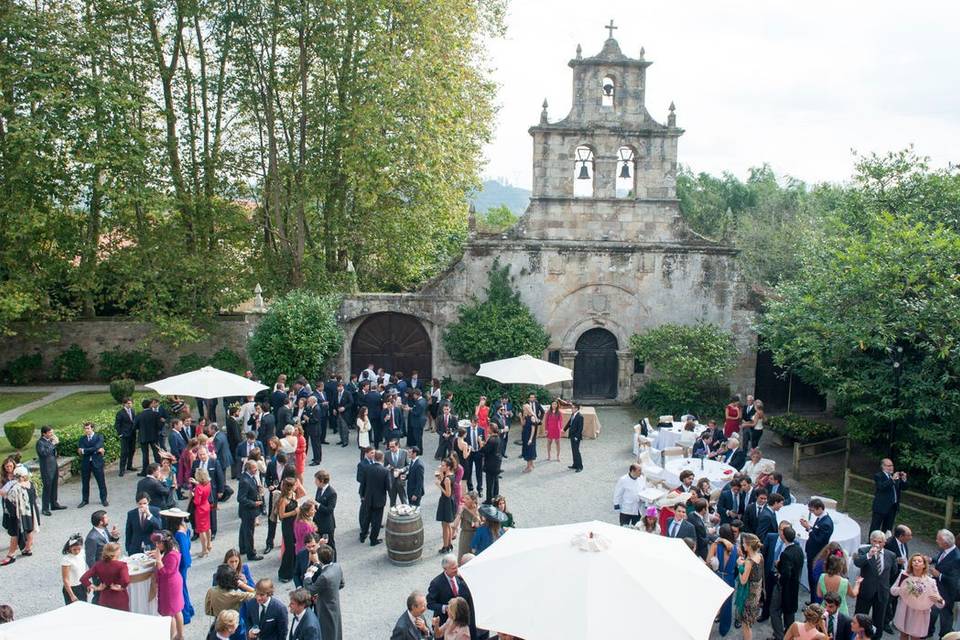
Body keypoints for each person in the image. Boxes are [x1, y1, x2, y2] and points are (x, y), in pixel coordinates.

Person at [889, 553, 944, 640]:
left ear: (924, 565)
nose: (916, 562)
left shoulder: (930, 581)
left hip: (920, 614)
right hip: (904, 610)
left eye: (919, 561)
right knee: (903, 635)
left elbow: (939, 603)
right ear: (911, 563)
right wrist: (903, 589)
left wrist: (940, 600)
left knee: (916, 637)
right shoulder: (904, 575)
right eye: (914, 560)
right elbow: (892, 591)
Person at [853, 530, 897, 633]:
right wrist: (869, 555)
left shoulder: (891, 555)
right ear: (870, 540)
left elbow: (893, 572)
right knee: (860, 618)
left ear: (884, 543)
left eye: (880, 542)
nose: (877, 544)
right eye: (874, 541)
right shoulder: (863, 551)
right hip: (866, 591)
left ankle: (876, 637)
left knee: (879, 621)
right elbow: (858, 563)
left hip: (882, 592)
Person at [301, 544, 344, 640]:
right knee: (336, 630)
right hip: (335, 603)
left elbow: (309, 590)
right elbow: (341, 584)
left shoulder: (324, 577)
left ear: (320, 559)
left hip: (325, 608)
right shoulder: (337, 567)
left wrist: (308, 576)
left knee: (326, 633)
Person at [770, 526, 805, 640]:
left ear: (783, 536)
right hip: (794, 587)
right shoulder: (799, 549)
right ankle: (790, 636)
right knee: (789, 613)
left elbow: (786, 574)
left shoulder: (786, 554)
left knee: (774, 611)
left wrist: (778, 568)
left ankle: (780, 636)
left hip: (784, 587)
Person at [427, 555, 476, 635]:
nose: (456, 570)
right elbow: (429, 603)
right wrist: (445, 608)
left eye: (457, 566)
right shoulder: (436, 583)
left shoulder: (460, 578)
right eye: (453, 568)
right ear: (445, 569)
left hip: (461, 623)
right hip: (445, 622)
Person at [205, 564, 256, 639]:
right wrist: (244, 585)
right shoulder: (236, 595)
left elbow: (208, 610)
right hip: (235, 625)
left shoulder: (211, 591)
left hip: (219, 622)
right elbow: (257, 594)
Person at [150, 530, 185, 640]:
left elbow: (166, 572)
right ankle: (177, 636)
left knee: (172, 612)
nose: (157, 545)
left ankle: (176, 636)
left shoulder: (172, 555)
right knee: (175, 610)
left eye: (158, 543)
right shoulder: (171, 548)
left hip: (170, 585)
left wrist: (159, 561)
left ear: (165, 542)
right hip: (172, 582)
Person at [2, 465, 39, 564]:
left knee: (14, 534)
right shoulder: (31, 484)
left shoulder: (16, 488)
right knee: (30, 530)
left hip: (18, 514)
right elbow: (34, 498)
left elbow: (10, 502)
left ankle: (11, 555)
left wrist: (5, 497)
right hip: (29, 512)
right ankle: (27, 549)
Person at [928, 528, 959, 639]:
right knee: (932, 610)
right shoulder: (946, 549)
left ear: (945, 543)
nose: (936, 541)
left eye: (938, 539)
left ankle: (945, 636)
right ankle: (929, 631)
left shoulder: (956, 558)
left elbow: (953, 580)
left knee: (945, 614)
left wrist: (938, 575)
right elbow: (941, 558)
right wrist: (931, 559)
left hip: (948, 590)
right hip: (937, 587)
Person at [80, 541, 130, 611]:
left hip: (104, 598)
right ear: (115, 552)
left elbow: (83, 579)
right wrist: (120, 587)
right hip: (119, 598)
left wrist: (96, 588)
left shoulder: (98, 565)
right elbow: (126, 580)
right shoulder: (122, 565)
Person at [707, 523, 738, 636]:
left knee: (713, 603)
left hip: (717, 577)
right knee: (727, 604)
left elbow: (708, 561)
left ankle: (707, 626)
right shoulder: (736, 548)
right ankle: (724, 629)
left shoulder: (715, 545)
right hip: (729, 578)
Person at [800, 498, 834, 592]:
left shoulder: (826, 523)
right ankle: (812, 599)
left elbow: (819, 540)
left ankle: (814, 600)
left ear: (819, 508)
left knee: (814, 577)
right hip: (812, 551)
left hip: (817, 553)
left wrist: (809, 529)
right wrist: (809, 527)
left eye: (812, 510)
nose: (811, 512)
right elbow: (817, 532)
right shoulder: (821, 519)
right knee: (811, 576)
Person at [734, 533, 764, 640]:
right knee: (748, 623)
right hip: (756, 594)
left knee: (745, 625)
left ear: (749, 546)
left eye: (744, 543)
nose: (742, 544)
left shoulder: (749, 562)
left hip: (748, 596)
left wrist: (739, 565)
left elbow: (743, 581)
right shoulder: (760, 556)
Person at [358, 450, 390, 546]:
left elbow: (363, 484)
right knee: (376, 521)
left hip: (368, 498)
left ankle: (363, 535)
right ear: (382, 458)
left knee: (367, 518)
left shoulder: (367, 468)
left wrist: (362, 495)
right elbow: (388, 487)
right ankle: (373, 539)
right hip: (379, 500)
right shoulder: (385, 471)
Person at [870, 458, 907, 534]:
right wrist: (892, 480)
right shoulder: (879, 476)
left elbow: (904, 488)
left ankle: (884, 544)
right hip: (881, 507)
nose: (891, 467)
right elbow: (881, 487)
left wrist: (904, 479)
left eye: (892, 465)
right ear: (883, 467)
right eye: (888, 466)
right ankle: (870, 544)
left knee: (887, 529)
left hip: (892, 507)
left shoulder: (895, 477)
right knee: (875, 528)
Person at [237, 460, 264, 562]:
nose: (256, 470)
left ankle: (243, 548)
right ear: (249, 469)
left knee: (244, 529)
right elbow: (241, 498)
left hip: (246, 511)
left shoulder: (249, 477)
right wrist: (254, 503)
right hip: (248, 511)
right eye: (254, 468)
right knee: (249, 532)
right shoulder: (245, 481)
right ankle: (251, 553)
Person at [76, 422, 108, 508]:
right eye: (85, 429)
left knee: (101, 481)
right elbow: (81, 450)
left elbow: (98, 446)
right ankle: (85, 500)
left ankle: (103, 499)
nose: (86, 430)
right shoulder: (82, 439)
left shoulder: (99, 437)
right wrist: (95, 450)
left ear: (92, 428)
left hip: (97, 462)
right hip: (86, 463)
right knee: (85, 482)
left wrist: (84, 450)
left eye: (88, 428)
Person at [36, 426, 64, 515]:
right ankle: (45, 508)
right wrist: (53, 444)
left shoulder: (49, 441)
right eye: (50, 433)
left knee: (54, 485)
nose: (52, 434)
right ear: (44, 433)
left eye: (52, 432)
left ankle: (54, 504)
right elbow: (43, 453)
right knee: (47, 487)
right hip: (46, 467)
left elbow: (53, 453)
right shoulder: (40, 442)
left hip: (53, 465)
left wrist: (54, 444)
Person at [135, 398, 163, 474]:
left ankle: (145, 471)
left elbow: (135, 426)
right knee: (156, 453)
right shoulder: (155, 414)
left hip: (143, 436)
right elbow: (160, 426)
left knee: (145, 454)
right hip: (154, 436)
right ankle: (159, 468)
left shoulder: (139, 415)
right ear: (150, 405)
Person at [190, 467, 213, 556]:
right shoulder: (208, 483)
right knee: (207, 527)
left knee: (201, 530)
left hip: (200, 509)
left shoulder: (199, 488)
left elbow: (197, 501)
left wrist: (193, 494)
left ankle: (204, 549)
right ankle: (209, 544)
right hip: (206, 505)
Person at [313, 469, 337, 555]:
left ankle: (333, 563)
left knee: (330, 546)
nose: (315, 482)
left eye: (316, 480)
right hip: (318, 522)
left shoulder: (332, 493)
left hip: (327, 525)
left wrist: (318, 504)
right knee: (320, 545)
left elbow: (329, 510)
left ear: (322, 481)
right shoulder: (319, 488)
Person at [60, 533, 89, 604]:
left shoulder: (82, 553)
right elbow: (65, 579)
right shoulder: (66, 559)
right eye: (74, 549)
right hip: (72, 588)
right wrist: (72, 595)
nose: (77, 551)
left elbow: (83, 571)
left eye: (79, 549)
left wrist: (87, 584)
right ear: (70, 547)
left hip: (82, 585)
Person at [436, 458, 456, 554]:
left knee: (445, 526)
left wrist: (439, 486)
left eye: (443, 465)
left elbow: (448, 494)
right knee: (447, 525)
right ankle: (449, 544)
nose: (441, 466)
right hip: (448, 501)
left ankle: (445, 546)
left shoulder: (448, 479)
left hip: (446, 502)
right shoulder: (450, 474)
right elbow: (442, 478)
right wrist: (440, 472)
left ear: (448, 467)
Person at [456, 491, 482, 561]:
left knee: (475, 557)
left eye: (467, 499)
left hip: (476, 535)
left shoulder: (479, 510)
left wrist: (470, 510)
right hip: (465, 535)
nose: (464, 501)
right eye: (465, 498)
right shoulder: (463, 509)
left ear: (473, 501)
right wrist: (459, 513)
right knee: (463, 556)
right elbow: (454, 525)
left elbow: (477, 525)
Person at [385, 440, 410, 507]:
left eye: (393, 447)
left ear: (397, 445)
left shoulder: (404, 452)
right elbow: (385, 466)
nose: (391, 449)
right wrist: (388, 467)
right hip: (391, 481)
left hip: (401, 480)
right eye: (390, 447)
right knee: (392, 501)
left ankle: (406, 515)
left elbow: (408, 465)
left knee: (404, 500)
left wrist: (401, 470)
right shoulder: (387, 454)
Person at [480, 430, 501, 503]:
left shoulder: (491, 440)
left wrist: (481, 443)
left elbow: (485, 450)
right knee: (496, 480)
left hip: (490, 464)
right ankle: (496, 496)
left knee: (489, 483)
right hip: (497, 463)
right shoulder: (498, 437)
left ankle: (489, 500)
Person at [564, 402, 584, 472]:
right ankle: (575, 464)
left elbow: (580, 428)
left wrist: (576, 437)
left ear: (576, 408)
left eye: (572, 408)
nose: (571, 409)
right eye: (571, 407)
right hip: (571, 435)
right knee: (573, 451)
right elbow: (569, 423)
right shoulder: (573, 414)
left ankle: (580, 466)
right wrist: (564, 429)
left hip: (576, 437)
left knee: (576, 451)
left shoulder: (580, 416)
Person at [520, 402, 537, 473]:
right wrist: (521, 417)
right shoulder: (526, 417)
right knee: (528, 450)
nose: (524, 411)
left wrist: (530, 439)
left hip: (529, 436)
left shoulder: (532, 417)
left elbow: (533, 430)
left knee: (529, 451)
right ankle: (531, 464)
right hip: (525, 435)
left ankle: (528, 467)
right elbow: (523, 424)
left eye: (524, 409)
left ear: (527, 409)